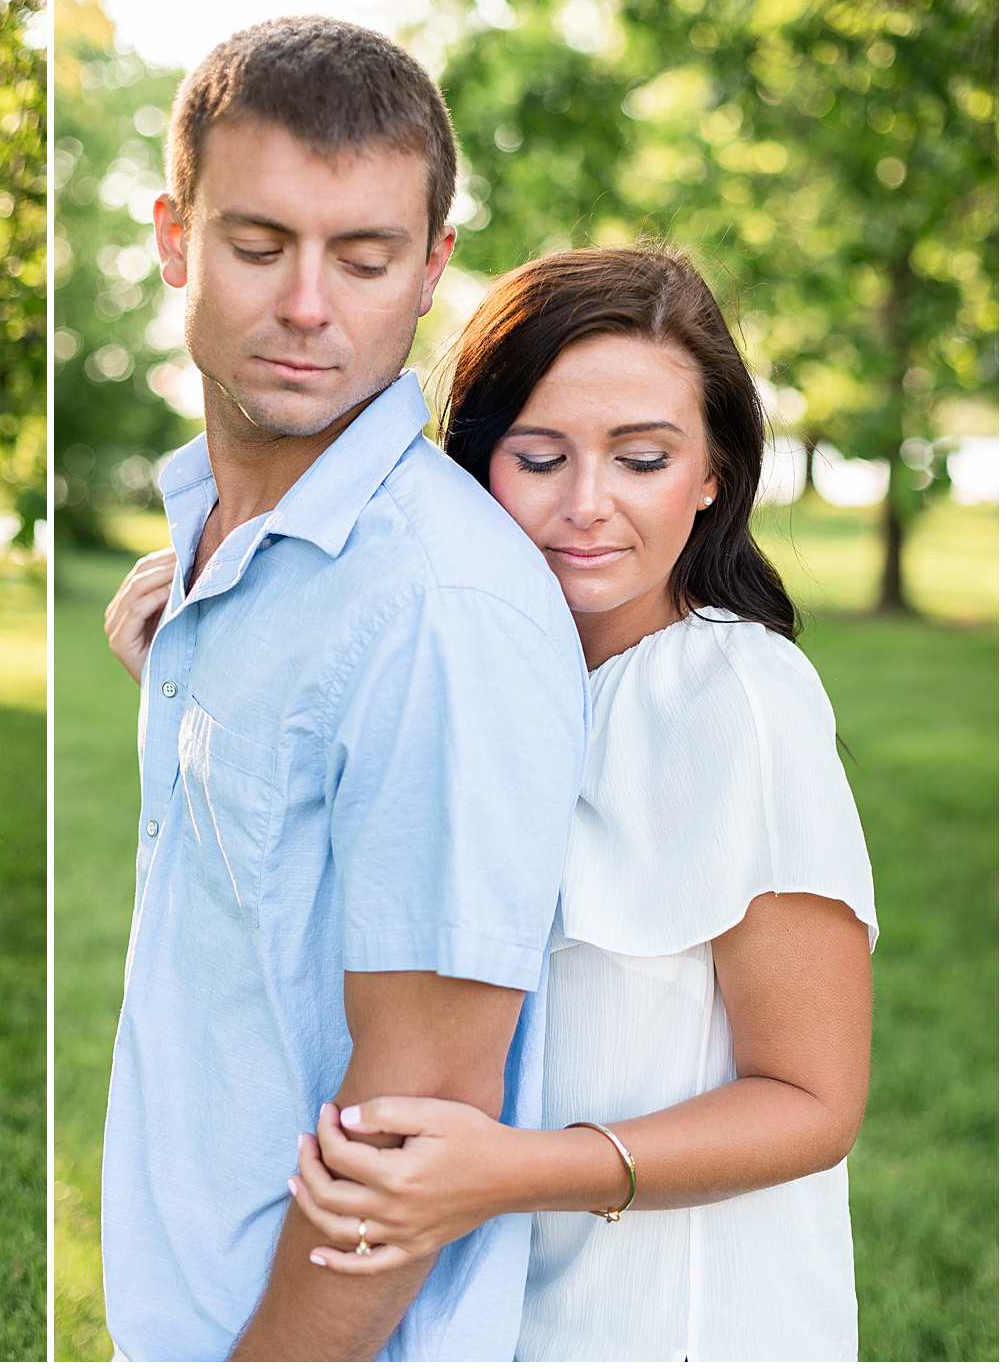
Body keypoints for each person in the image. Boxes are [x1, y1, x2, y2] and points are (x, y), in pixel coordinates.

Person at [94, 17, 588, 1361]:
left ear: (430, 269)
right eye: (257, 245)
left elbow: (418, 1104)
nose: (306, 303)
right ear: (169, 235)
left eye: (364, 257)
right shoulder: (218, 547)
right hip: (185, 1299)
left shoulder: (435, 604)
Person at [284, 246, 876, 1360]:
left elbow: (812, 1100)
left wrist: (512, 1172)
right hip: (496, 1314)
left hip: (676, 1326)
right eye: (538, 457)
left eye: (642, 458)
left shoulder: (736, 698)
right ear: (473, 465)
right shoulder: (477, 679)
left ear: (710, 475)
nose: (586, 507)